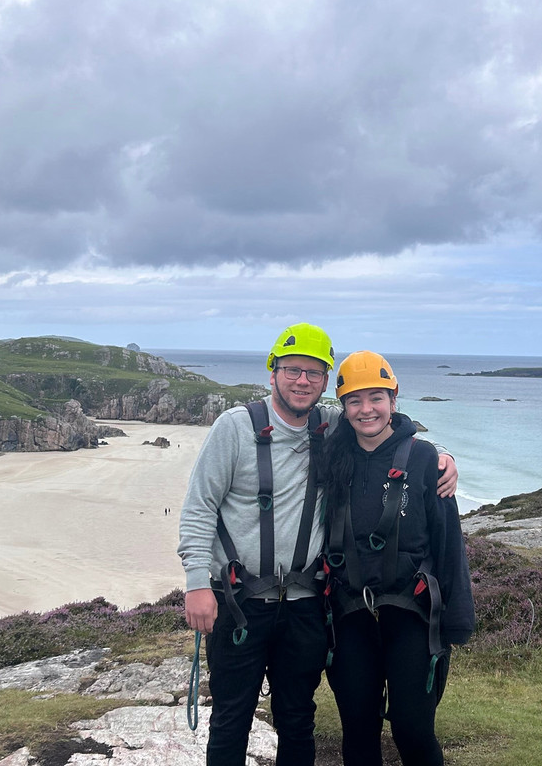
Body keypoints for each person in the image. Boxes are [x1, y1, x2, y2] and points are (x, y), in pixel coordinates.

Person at [177, 324, 458, 766]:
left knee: (296, 718)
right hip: (239, 602)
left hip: (306, 606)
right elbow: (198, 509)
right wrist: (196, 582)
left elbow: (388, 434)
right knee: (231, 719)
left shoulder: (330, 427)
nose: (301, 380)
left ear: (325, 381)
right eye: (291, 369)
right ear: (273, 373)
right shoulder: (233, 428)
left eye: (313, 372)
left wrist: (440, 457)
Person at [322, 350, 475, 766]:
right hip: (350, 613)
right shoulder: (330, 454)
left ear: (393, 399)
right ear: (343, 406)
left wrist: (455, 623)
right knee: (358, 730)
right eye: (354, 400)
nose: (365, 409)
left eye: (376, 397)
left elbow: (448, 544)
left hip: (412, 614)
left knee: (412, 728)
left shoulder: (426, 460)